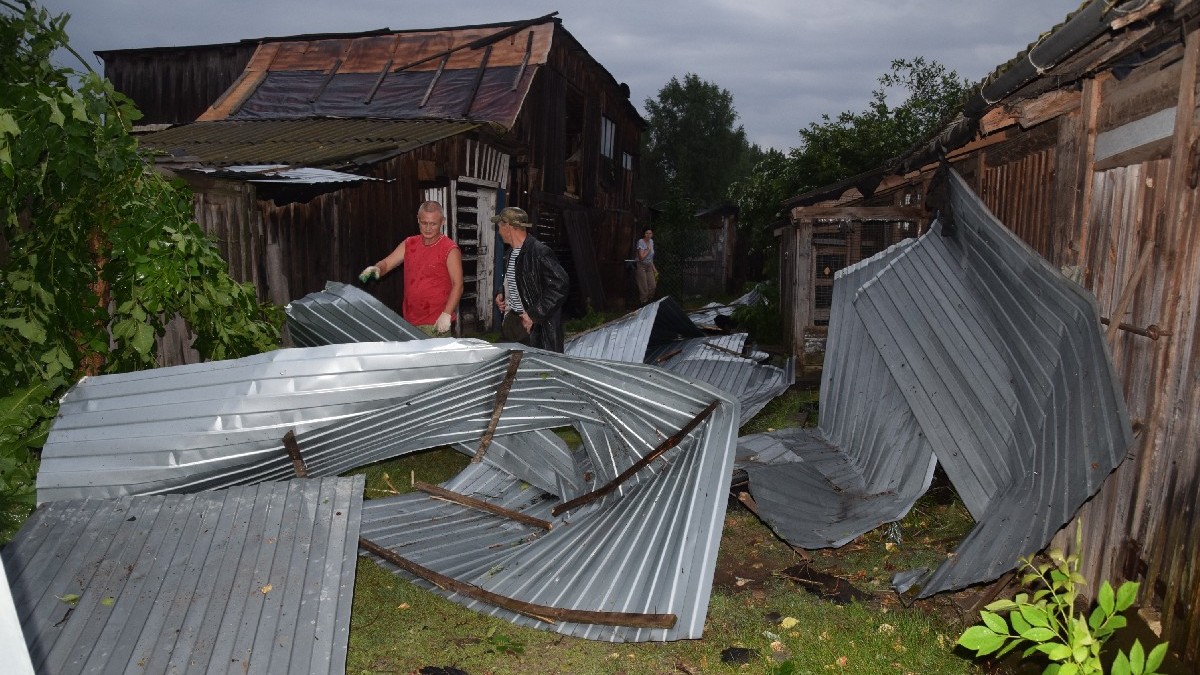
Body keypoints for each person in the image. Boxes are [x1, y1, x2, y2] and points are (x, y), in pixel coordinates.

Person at [359, 201, 463, 336]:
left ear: (442, 222)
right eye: (424, 223)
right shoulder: (409, 244)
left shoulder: (449, 249)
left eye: (433, 224)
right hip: (409, 321)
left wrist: (446, 314)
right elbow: (387, 263)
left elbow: (458, 285)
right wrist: (376, 269)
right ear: (418, 220)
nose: (428, 228)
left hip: (437, 322)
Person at [491, 206, 570, 352]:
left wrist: (533, 315)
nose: (499, 231)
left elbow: (561, 285)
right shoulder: (511, 254)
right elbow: (518, 281)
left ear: (508, 226)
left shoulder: (539, 252)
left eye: (500, 226)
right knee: (506, 366)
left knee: (533, 371)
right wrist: (501, 293)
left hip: (533, 327)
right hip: (512, 320)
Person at [635, 227, 657, 304]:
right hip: (641, 265)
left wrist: (654, 268)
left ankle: (649, 301)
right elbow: (641, 257)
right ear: (644, 234)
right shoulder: (641, 241)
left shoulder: (651, 241)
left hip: (649, 266)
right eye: (647, 233)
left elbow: (651, 257)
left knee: (653, 286)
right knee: (644, 288)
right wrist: (648, 249)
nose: (648, 235)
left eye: (650, 233)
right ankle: (643, 302)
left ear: (652, 234)